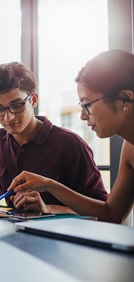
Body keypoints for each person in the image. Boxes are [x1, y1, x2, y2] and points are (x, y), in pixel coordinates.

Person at [0, 62, 108, 214]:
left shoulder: (70, 145)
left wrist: (48, 208)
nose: (8, 117)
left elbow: (101, 209)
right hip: (11, 233)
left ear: (34, 100)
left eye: (16, 106)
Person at [8, 50, 134, 224]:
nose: (82, 116)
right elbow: (112, 215)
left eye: (87, 104)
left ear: (125, 99)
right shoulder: (130, 148)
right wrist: (48, 184)